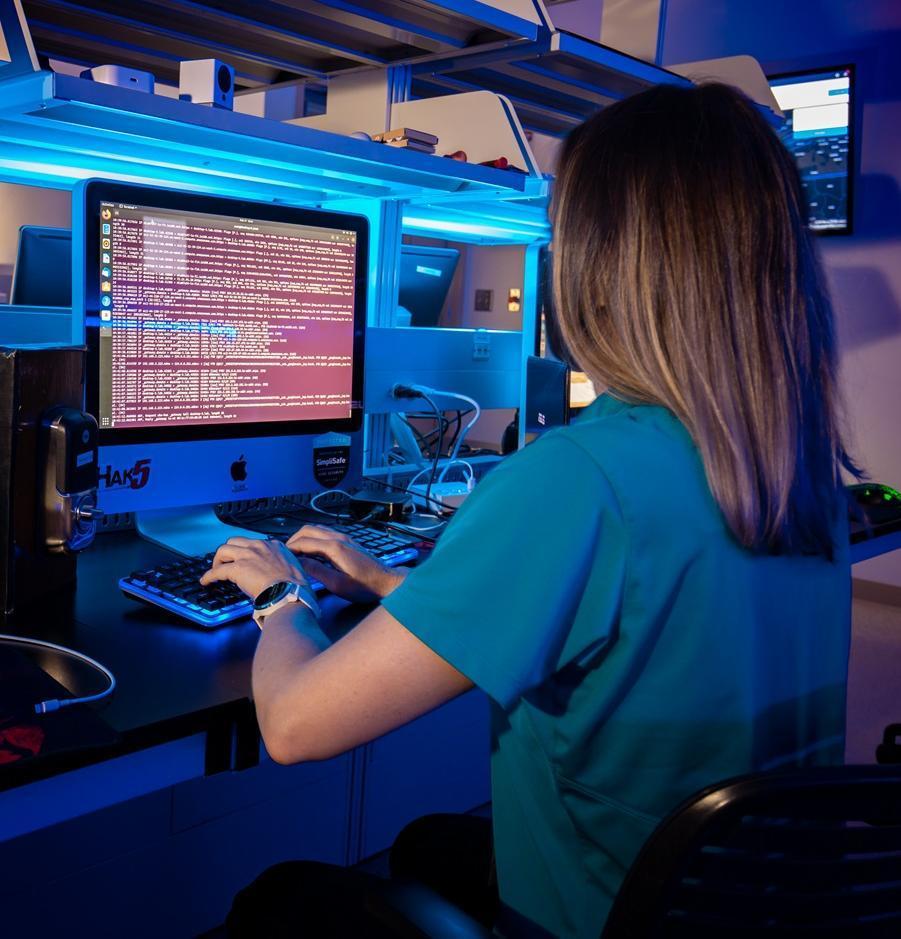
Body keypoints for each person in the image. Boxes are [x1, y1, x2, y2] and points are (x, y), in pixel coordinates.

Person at [207, 81, 857, 939]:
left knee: (277, 900)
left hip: (597, 915)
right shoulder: (791, 466)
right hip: (744, 908)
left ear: (597, 264)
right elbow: (613, 621)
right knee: (429, 844)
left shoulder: (577, 478)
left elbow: (294, 726)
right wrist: (394, 583)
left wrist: (280, 598)